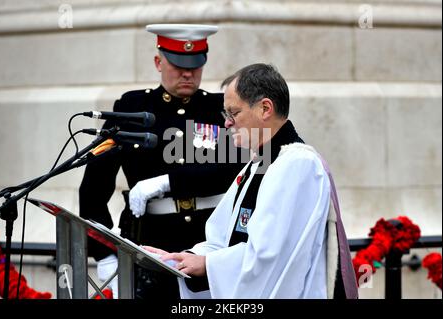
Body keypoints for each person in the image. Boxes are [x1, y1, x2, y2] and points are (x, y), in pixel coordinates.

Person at [147, 63, 358, 298]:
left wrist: (208, 264)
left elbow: (270, 254)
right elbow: (222, 235)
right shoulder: (260, 162)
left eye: (233, 113)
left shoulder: (298, 164)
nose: (226, 123)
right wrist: (180, 258)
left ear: (265, 108)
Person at [78, 24, 244, 299]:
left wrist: (169, 182)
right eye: (178, 65)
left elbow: (236, 168)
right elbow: (94, 187)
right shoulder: (131, 109)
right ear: (158, 62)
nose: (188, 73)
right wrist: (105, 254)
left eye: (195, 65)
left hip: (208, 246)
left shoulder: (219, 110)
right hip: (148, 247)